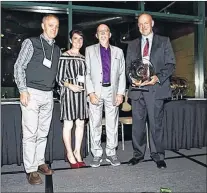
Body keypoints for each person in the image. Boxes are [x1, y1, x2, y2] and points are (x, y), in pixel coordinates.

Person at [14, 14, 60, 185]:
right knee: (30, 133)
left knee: (42, 133)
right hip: (31, 93)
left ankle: (40, 162)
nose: (54, 29)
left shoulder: (57, 50)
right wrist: (23, 90)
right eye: (50, 25)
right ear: (43, 26)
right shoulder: (31, 43)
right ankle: (31, 169)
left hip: (48, 95)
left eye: (56, 26)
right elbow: (19, 66)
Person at [126, 13, 176, 169]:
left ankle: (158, 156)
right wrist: (131, 79)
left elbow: (170, 64)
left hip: (156, 89)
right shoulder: (132, 44)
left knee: (156, 125)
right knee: (138, 126)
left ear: (152, 23)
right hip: (137, 90)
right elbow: (128, 67)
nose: (143, 27)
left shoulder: (164, 41)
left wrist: (158, 77)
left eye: (146, 23)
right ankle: (138, 155)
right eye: (140, 24)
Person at [85, 24, 126, 167]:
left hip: (112, 92)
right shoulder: (89, 50)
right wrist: (90, 93)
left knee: (112, 124)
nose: (103, 34)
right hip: (96, 92)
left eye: (106, 31)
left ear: (110, 34)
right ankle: (96, 153)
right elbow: (87, 73)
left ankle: (111, 153)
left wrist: (120, 93)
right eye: (100, 32)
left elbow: (122, 74)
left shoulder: (119, 52)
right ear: (96, 35)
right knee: (95, 123)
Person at [56, 30, 88, 169]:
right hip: (68, 94)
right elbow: (59, 78)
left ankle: (77, 151)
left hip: (81, 94)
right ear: (70, 40)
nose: (78, 41)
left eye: (80, 39)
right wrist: (70, 86)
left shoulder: (83, 58)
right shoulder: (64, 56)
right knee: (68, 125)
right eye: (75, 38)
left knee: (80, 124)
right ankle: (69, 153)